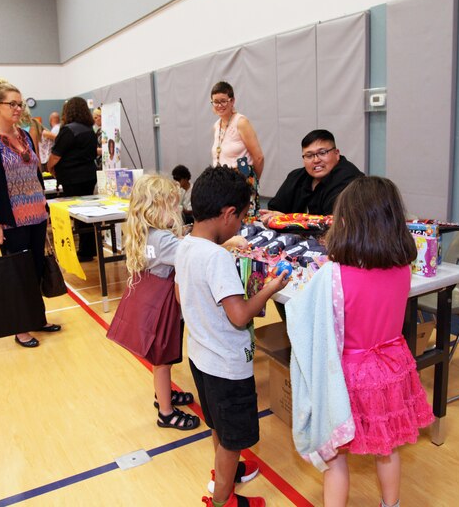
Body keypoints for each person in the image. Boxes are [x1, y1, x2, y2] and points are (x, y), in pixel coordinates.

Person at [310, 177, 434, 507]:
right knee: (387, 448)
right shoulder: (402, 268)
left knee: (335, 457)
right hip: (392, 367)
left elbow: (319, 327)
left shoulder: (333, 274)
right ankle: (390, 505)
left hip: (348, 373)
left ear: (348, 221)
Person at [175, 166, 289, 507]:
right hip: (227, 366)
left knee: (219, 427)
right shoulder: (217, 258)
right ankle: (223, 501)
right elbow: (239, 316)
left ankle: (226, 473)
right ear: (227, 214)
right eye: (239, 218)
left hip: (200, 357)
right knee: (231, 439)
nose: (240, 225)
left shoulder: (185, 244)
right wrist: (271, 287)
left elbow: (181, 297)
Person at [0, 78, 61, 348]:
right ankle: (20, 326)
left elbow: (35, 172)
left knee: (36, 270)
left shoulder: (23, 134)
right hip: (12, 221)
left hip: (36, 215)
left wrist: (44, 208)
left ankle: (37, 317)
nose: (18, 108)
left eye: (20, 104)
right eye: (13, 104)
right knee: (18, 274)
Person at [122, 174, 200, 431]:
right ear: (156, 207)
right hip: (164, 307)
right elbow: (191, 256)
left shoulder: (145, 233)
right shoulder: (164, 240)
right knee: (163, 360)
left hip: (150, 302)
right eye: (173, 205)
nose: (178, 210)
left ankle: (162, 393)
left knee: (161, 358)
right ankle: (166, 412)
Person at [260, 129, 364, 222]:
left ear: (336, 154)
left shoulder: (350, 179)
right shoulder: (296, 176)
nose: (316, 160)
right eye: (309, 156)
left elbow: (330, 223)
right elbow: (274, 211)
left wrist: (288, 221)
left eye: (322, 153)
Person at [47, 96, 99, 262]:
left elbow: (55, 156)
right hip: (89, 176)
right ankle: (88, 249)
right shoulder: (89, 130)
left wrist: (50, 169)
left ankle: (80, 250)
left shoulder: (68, 130)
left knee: (77, 215)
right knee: (88, 215)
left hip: (72, 178)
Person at [210, 81, 264, 221]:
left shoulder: (241, 122)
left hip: (242, 179)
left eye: (223, 101)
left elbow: (258, 157)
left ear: (232, 101)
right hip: (223, 182)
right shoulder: (217, 125)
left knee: (246, 223)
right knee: (226, 223)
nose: (219, 105)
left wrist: (252, 182)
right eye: (215, 102)